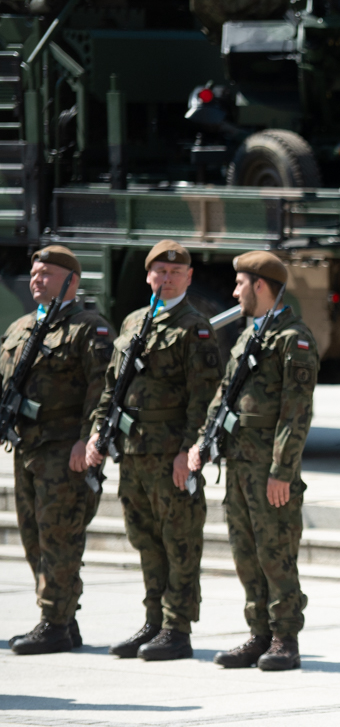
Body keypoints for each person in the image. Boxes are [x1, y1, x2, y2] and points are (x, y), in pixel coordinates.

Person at [85, 240, 221, 661]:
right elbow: (113, 387)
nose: (166, 278)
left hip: (171, 456)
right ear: (148, 276)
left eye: (175, 272)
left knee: (179, 541)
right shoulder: (133, 323)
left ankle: (177, 629)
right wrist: (96, 434)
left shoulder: (194, 328)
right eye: (159, 271)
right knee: (145, 538)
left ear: (189, 278)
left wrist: (189, 451)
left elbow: (204, 398)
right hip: (133, 452)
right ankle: (153, 621)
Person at [188, 250, 318, 671]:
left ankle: (284, 639)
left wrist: (282, 470)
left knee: (275, 552)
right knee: (246, 552)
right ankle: (258, 633)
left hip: (269, 469)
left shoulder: (292, 339)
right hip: (239, 465)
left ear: (260, 286)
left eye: (240, 284)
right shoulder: (249, 336)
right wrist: (203, 443)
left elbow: (295, 412)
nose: (234, 291)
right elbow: (224, 395)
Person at [3, 246, 113, 654]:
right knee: (33, 537)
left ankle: (54, 621)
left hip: (63, 450)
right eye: (35, 272)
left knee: (59, 538)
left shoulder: (89, 329)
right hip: (26, 448)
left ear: (72, 281)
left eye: (47, 273)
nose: (37, 279)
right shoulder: (20, 328)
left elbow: (103, 389)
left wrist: (88, 440)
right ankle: (62, 620)